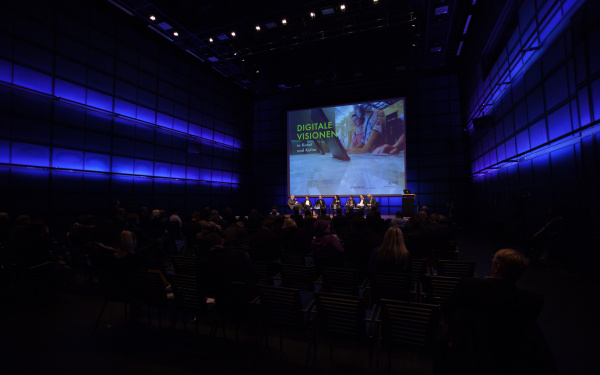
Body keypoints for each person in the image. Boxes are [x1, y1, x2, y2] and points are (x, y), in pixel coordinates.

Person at [442, 249, 550, 375]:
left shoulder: (469, 287)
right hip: (509, 360)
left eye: (493, 262)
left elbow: (447, 311)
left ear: (497, 267)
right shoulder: (532, 301)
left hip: (467, 355)